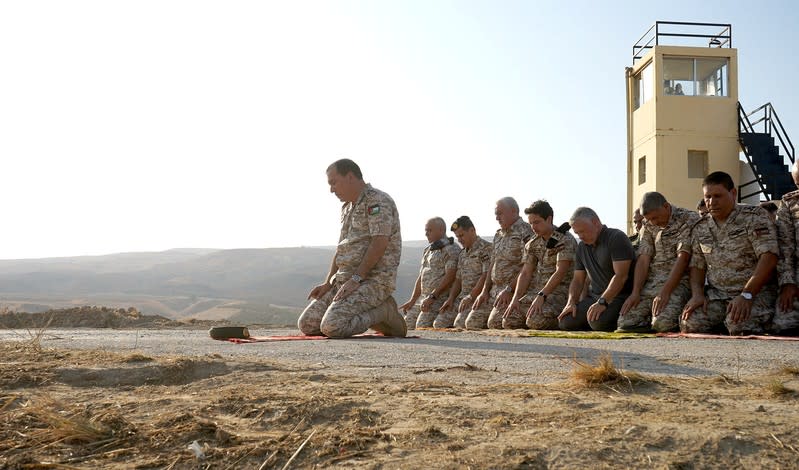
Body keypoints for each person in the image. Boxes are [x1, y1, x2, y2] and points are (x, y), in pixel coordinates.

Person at [298, 158, 407, 338]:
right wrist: (328, 282)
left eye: (334, 182)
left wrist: (356, 278)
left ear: (349, 176)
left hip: (373, 281)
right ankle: (366, 312)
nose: (331, 189)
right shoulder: (347, 207)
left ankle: (383, 311)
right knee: (307, 324)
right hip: (345, 282)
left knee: (332, 327)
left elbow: (379, 242)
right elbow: (342, 248)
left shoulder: (377, 201)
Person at [681, 171, 778, 335]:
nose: (712, 202)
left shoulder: (754, 217)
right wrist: (697, 295)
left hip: (754, 293)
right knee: (689, 323)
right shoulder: (701, 226)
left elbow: (769, 257)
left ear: (733, 193)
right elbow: (697, 266)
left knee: (737, 325)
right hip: (718, 296)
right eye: (708, 197)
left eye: (718, 196)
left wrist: (747, 295)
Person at [618, 192, 700, 332]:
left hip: (678, 282)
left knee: (662, 324)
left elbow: (683, 258)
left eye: (655, 217)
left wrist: (665, 292)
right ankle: (649, 320)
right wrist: (636, 292)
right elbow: (644, 259)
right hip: (653, 282)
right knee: (626, 322)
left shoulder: (688, 219)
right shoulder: (648, 223)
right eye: (649, 219)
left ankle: (664, 320)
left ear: (666, 206)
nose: (654, 222)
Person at [558, 207, 636, 331]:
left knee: (598, 322)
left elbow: (621, 276)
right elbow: (578, 280)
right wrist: (571, 302)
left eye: (583, 231)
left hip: (618, 297)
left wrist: (602, 302)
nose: (581, 236)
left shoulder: (616, 238)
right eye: (577, 233)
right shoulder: (582, 247)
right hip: (594, 297)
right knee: (566, 322)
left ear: (595, 222)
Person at [504, 200, 576, 330]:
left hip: (559, 293)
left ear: (549, 219)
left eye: (536, 222)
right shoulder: (532, 243)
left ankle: (562, 320)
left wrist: (542, 295)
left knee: (535, 321)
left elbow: (561, 271)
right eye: (531, 223)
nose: (533, 227)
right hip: (538, 292)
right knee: (508, 320)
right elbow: (525, 273)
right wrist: (515, 299)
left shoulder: (564, 239)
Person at [465, 197, 533, 329]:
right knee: (471, 322)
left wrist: (510, 290)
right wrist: (484, 291)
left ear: (514, 211)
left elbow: (528, 267)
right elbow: (492, 263)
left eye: (500, 213)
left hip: (512, 292)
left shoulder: (526, 232)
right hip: (494, 292)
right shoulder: (498, 235)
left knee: (497, 324)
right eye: (496, 214)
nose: (497, 218)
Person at [399, 217, 460, 329]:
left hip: (438, 299)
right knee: (405, 326)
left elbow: (450, 276)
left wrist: (433, 296)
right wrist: (412, 300)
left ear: (441, 230)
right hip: (424, 299)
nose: (426, 234)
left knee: (421, 326)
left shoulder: (451, 249)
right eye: (426, 230)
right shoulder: (428, 250)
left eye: (430, 230)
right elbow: (421, 276)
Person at [445, 216, 492, 329]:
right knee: (440, 323)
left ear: (472, 230)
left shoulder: (486, 249)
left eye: (461, 235)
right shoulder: (462, 254)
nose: (459, 240)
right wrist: (451, 298)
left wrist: (471, 296)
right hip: (463, 298)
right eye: (457, 237)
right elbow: (458, 279)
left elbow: (486, 275)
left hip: (477, 297)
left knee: (460, 324)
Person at [773, 163, 799, 335]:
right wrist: (788, 283)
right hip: (797, 276)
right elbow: (785, 246)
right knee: (783, 323)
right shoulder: (790, 203)